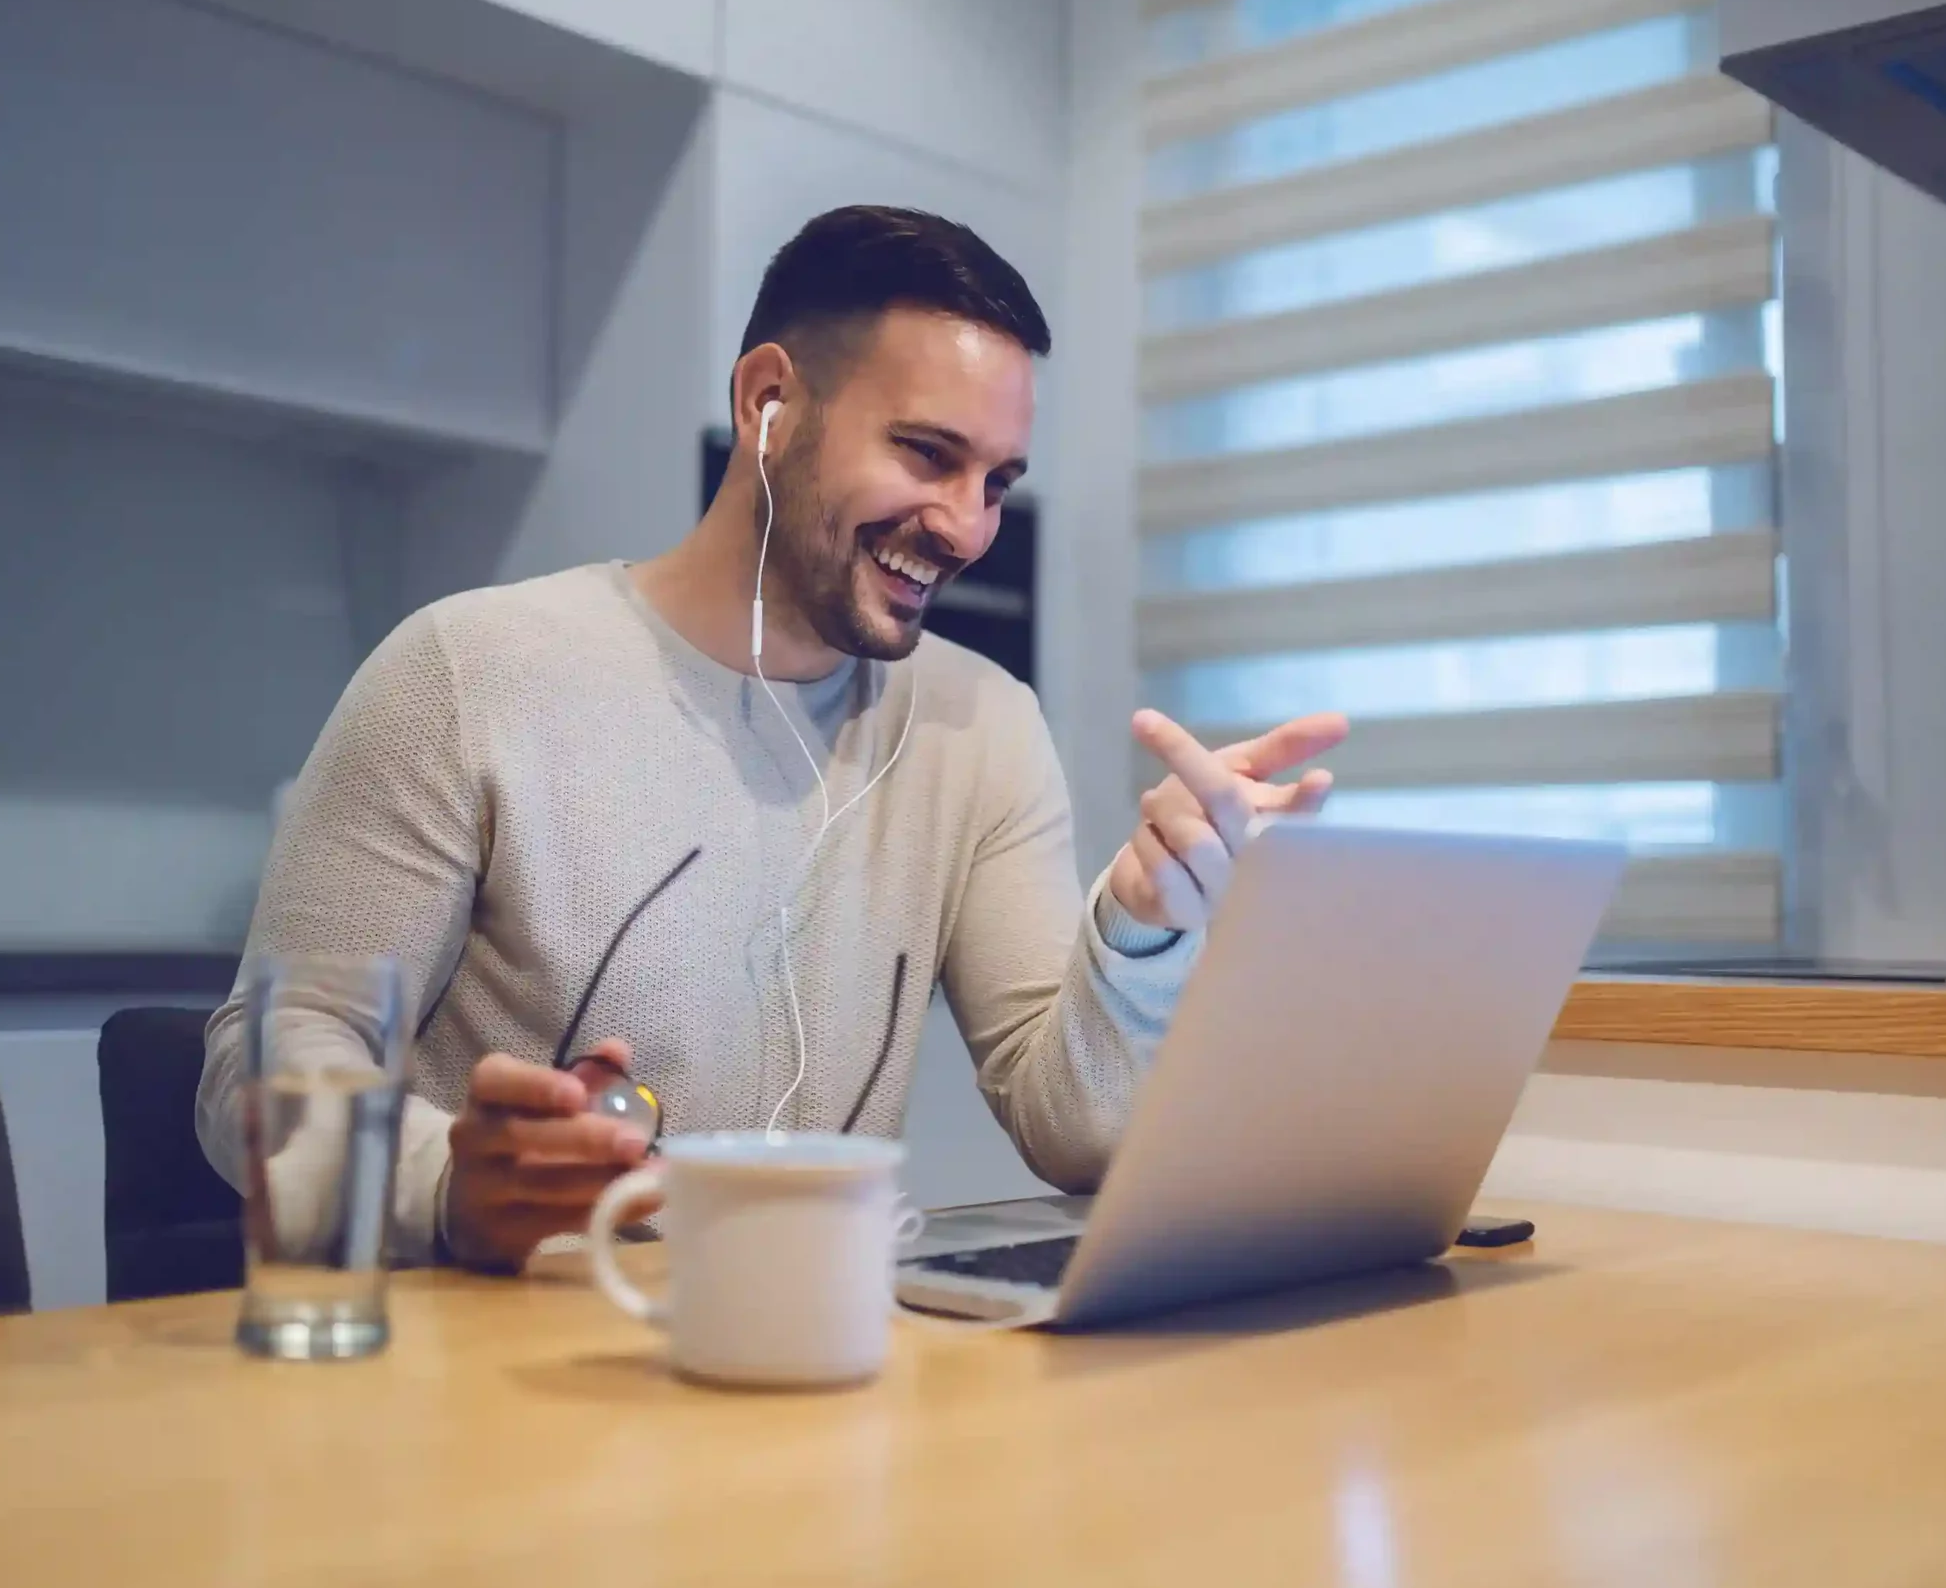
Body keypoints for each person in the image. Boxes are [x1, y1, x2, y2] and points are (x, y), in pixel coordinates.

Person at [195, 205, 1347, 1272]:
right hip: (501, 1379)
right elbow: (262, 1059)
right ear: (767, 403)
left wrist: (1145, 925)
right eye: (925, 454)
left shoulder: (979, 722)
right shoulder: (469, 670)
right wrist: (447, 1181)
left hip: (804, 1362)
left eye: (996, 480)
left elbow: (1076, 1131)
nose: (966, 525)